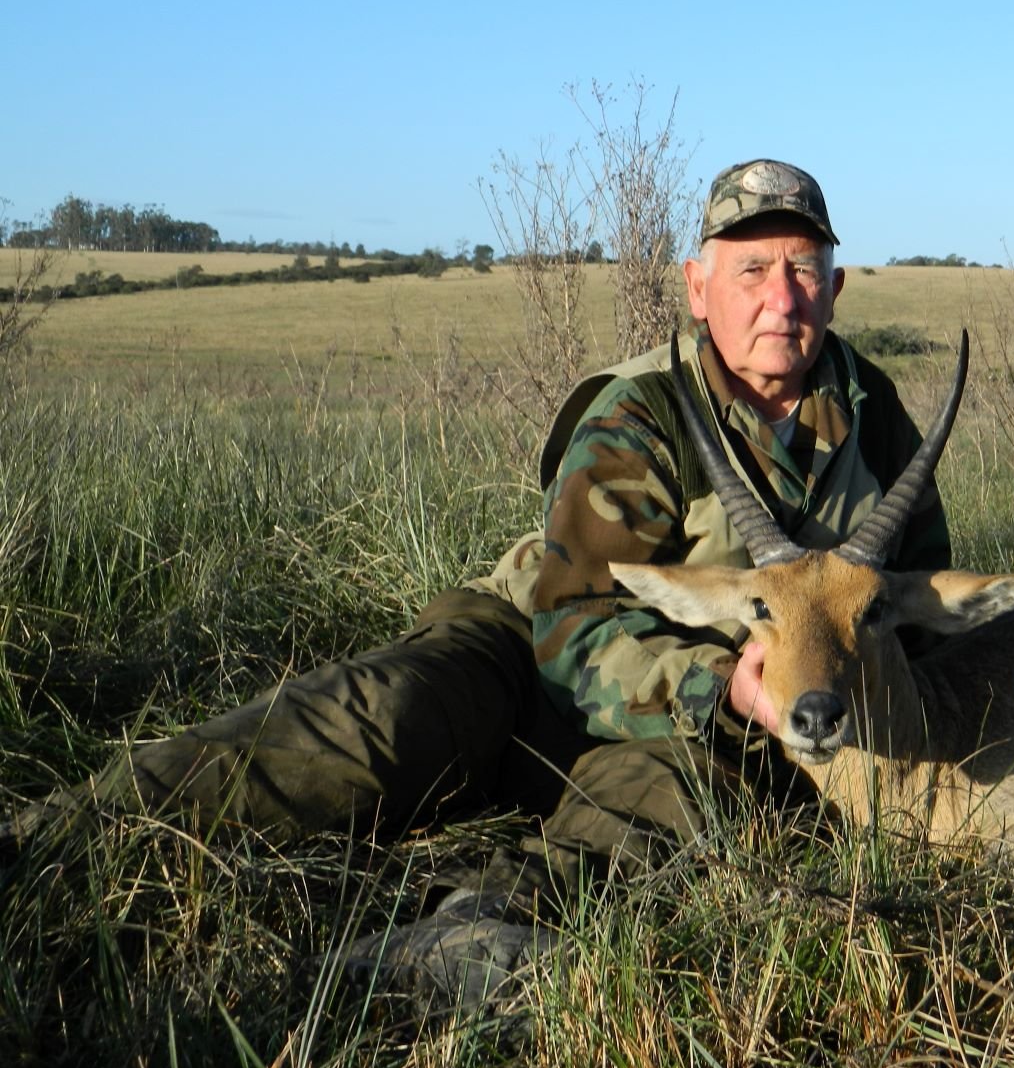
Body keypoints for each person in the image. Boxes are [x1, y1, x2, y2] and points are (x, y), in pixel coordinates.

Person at [2, 159, 951, 1004]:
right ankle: (62, 834)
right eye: (750, 270)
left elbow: (914, 607)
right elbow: (571, 626)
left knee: (679, 802)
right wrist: (715, 682)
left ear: (832, 287)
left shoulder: (877, 420)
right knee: (381, 717)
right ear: (700, 289)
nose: (779, 297)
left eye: (800, 269)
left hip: (716, 723)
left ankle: (459, 932)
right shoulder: (643, 409)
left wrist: (779, 698)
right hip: (530, 651)